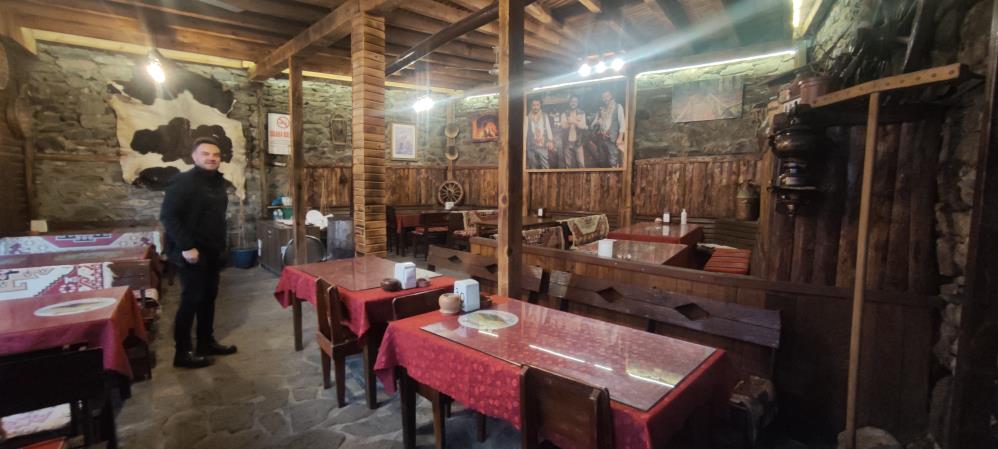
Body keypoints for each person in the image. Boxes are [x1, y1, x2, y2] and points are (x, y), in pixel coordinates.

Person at [160, 136, 237, 368]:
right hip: (192, 252)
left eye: (216, 155)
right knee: (191, 300)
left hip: (213, 250)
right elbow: (168, 217)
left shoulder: (218, 182)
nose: (211, 158)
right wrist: (186, 246)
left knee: (208, 298)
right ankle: (182, 352)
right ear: (194, 157)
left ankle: (205, 342)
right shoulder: (183, 182)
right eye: (206, 154)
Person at [590, 90, 626, 167]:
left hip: (612, 139)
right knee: (602, 160)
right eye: (603, 97)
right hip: (601, 139)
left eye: (607, 96)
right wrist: (597, 122)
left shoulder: (618, 107)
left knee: (613, 160)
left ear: (611, 96)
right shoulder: (601, 109)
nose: (605, 99)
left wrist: (620, 137)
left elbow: (622, 123)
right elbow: (592, 125)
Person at [559, 95, 588, 168]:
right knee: (568, 164)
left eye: (575, 101)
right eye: (572, 101)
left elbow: (583, 126)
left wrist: (572, 121)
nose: (573, 103)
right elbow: (563, 126)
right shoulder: (564, 113)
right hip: (567, 141)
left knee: (581, 163)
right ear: (569, 103)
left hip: (578, 141)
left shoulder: (582, 113)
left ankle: (582, 175)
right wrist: (576, 122)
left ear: (577, 103)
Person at [526, 99, 555, 169]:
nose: (535, 107)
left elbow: (548, 129)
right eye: (533, 105)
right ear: (531, 106)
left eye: (537, 105)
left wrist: (550, 141)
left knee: (545, 164)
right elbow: (525, 131)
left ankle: (545, 176)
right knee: (532, 164)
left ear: (540, 106)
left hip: (542, 144)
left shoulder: (544, 116)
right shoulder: (528, 117)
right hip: (531, 145)